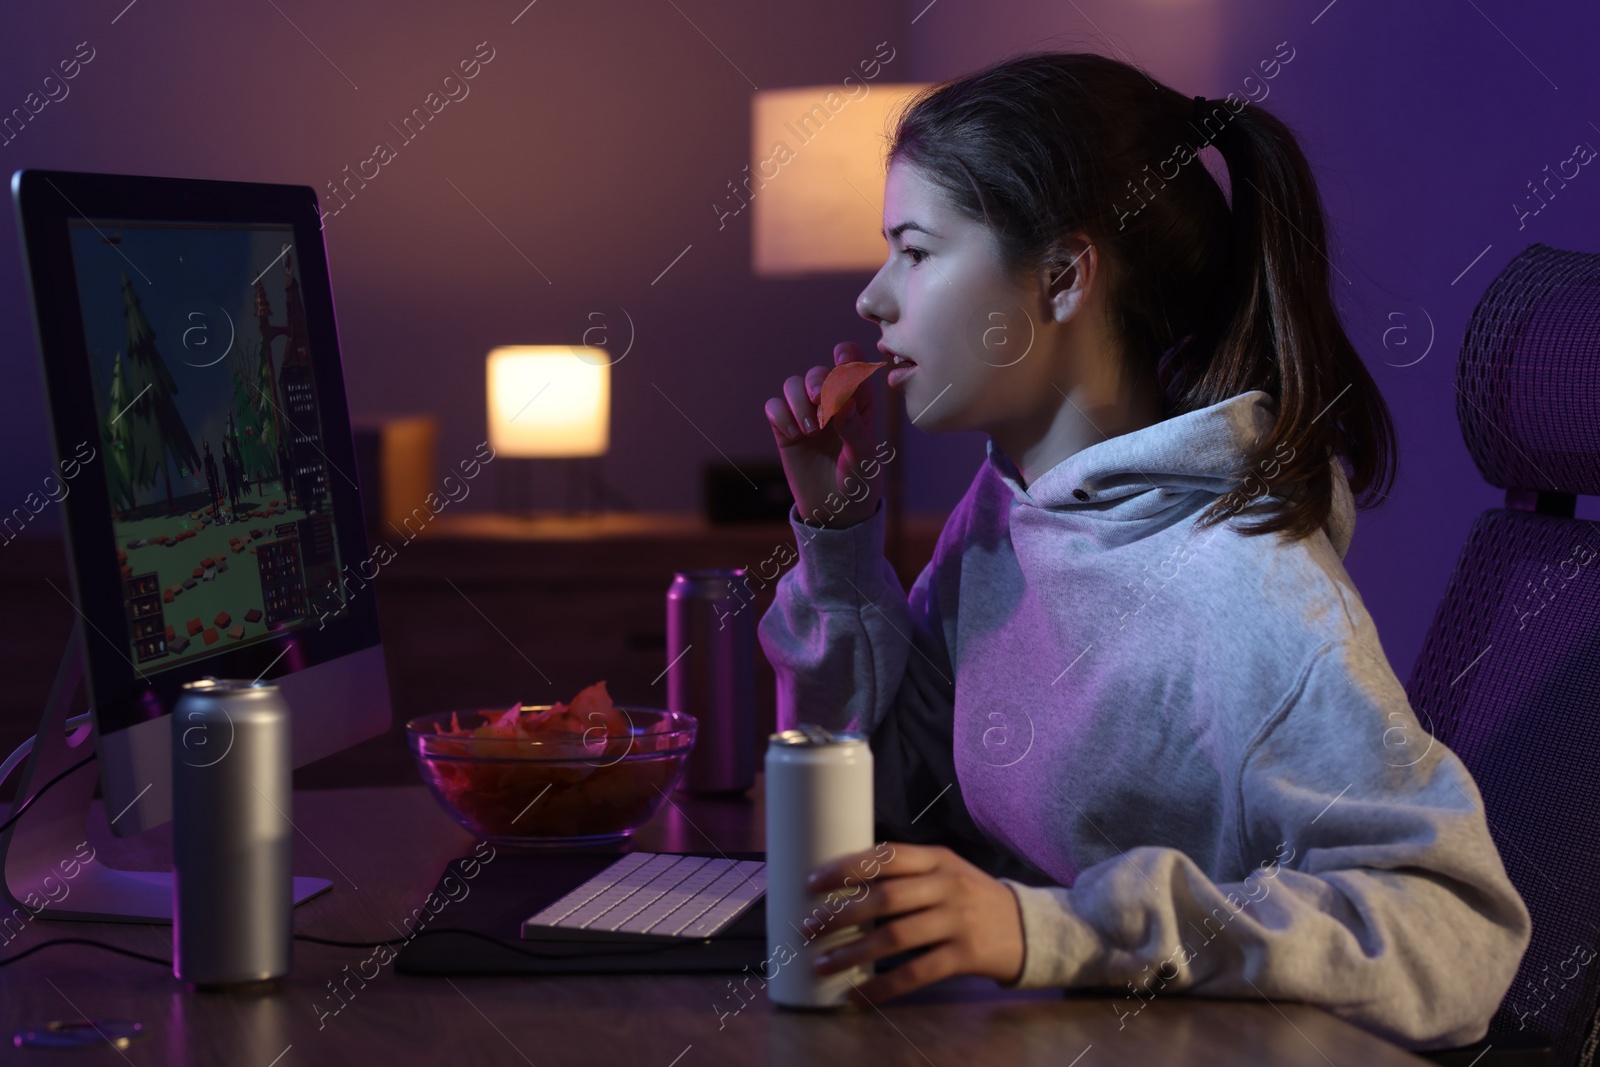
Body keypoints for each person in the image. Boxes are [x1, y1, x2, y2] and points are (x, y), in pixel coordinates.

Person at [757, 51, 1530, 1051]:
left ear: (1063, 277)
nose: (872, 296)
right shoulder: (1012, 517)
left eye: (914, 249)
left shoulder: (1249, 595)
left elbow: (1455, 932)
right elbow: (882, 795)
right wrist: (838, 538)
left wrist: (1057, 927)